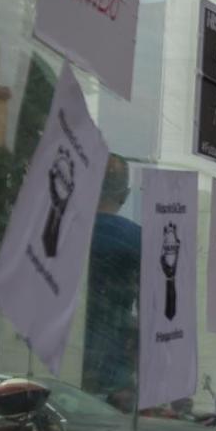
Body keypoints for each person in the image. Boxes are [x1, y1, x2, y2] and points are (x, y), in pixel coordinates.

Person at [84, 154, 140, 411]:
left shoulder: (62, 230)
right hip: (113, 366)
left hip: (59, 356)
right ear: (126, 194)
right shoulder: (137, 239)